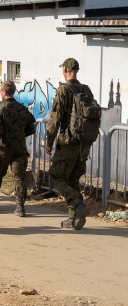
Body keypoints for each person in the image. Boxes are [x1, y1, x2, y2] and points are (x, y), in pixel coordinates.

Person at [46, 57, 102, 230]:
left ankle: (78, 205)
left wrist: (49, 141)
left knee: (56, 176)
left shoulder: (63, 90)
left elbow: (55, 119)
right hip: (84, 142)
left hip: (68, 142)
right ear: (76, 70)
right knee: (72, 179)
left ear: (64, 69)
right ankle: (73, 219)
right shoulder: (86, 90)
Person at [0, 80, 36, 216]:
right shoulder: (22, 109)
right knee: (19, 177)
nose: (0, 93)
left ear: (5, 92)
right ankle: (20, 206)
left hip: (3, 149)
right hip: (19, 149)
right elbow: (31, 128)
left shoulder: (0, 109)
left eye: (0, 91)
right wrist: (19, 135)